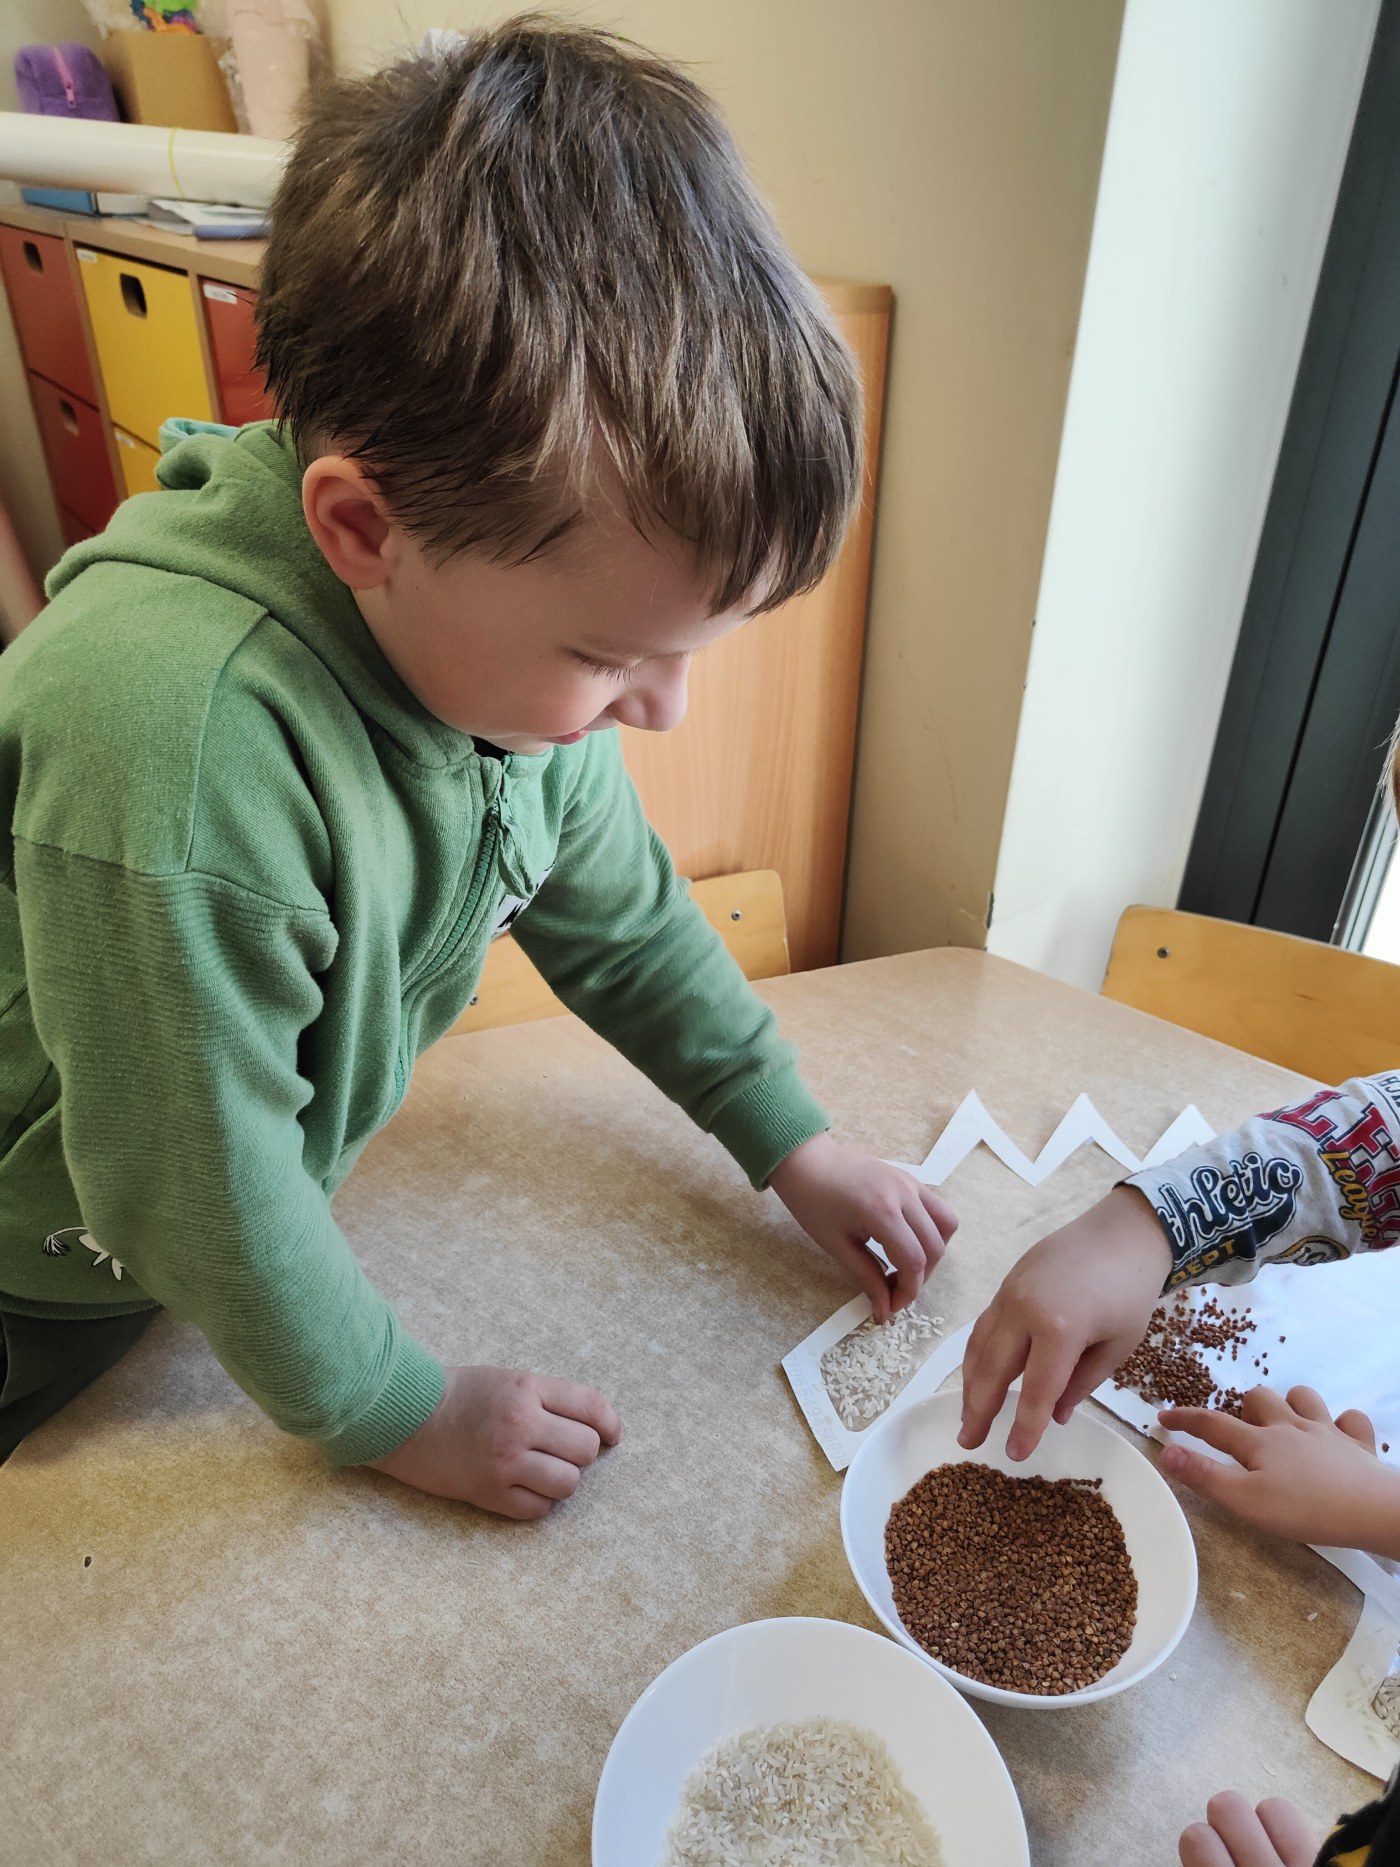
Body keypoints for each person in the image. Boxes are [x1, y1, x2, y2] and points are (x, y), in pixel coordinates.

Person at [0, 19, 956, 1513]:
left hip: (206, 1227)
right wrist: (398, 1409)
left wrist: (794, 1142)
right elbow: (194, 1184)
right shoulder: (171, 751)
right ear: (362, 530)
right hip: (38, 1274)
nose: (663, 713)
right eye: (610, 657)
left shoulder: (506, 673)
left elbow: (623, 923)